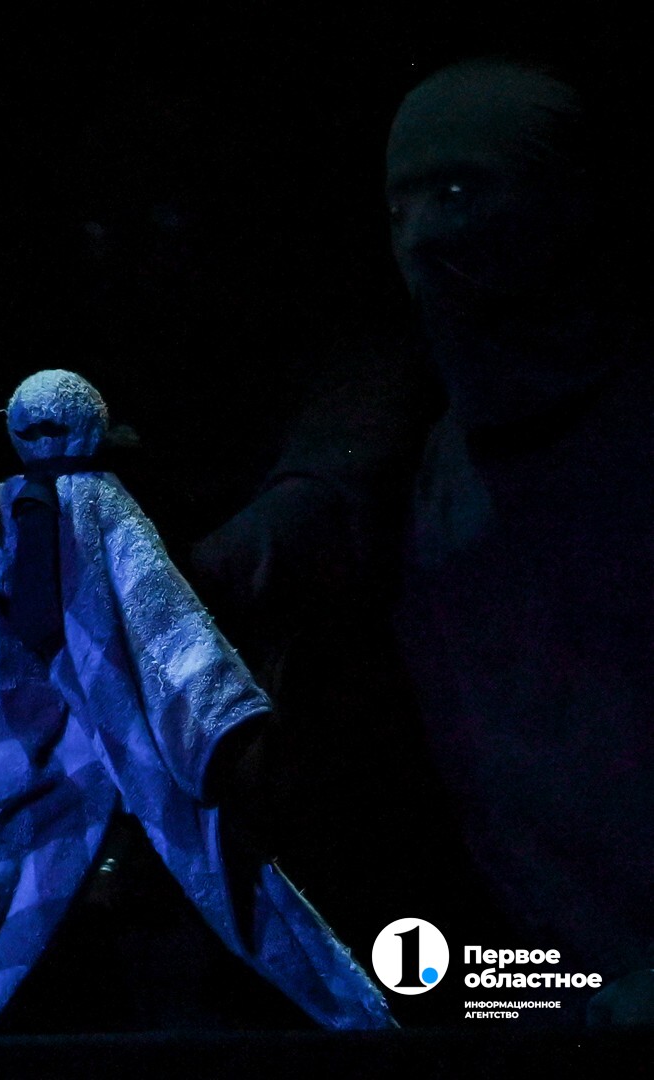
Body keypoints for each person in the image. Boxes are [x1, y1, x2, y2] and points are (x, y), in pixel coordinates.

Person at [189, 53, 654, 1027]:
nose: (424, 236)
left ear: (567, 200)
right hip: (543, 986)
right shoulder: (415, 464)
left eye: (459, 192)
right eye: (399, 207)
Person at [0, 369, 396, 1035]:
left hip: (137, 719)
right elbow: (21, 591)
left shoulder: (101, 503)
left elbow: (151, 603)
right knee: (61, 913)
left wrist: (195, 698)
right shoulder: (33, 501)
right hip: (68, 718)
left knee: (203, 899)